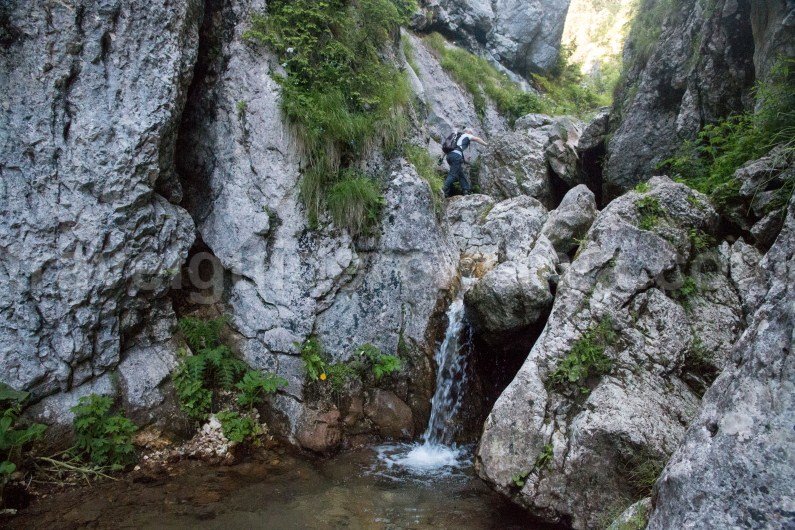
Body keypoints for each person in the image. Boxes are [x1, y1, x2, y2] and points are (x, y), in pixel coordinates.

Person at [443, 128, 488, 197]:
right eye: (471, 133)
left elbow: (447, 147)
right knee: (453, 174)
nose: (472, 134)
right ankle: (443, 189)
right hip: (456, 156)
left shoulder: (456, 137)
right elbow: (477, 139)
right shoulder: (466, 135)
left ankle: (466, 190)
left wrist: (441, 159)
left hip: (449, 156)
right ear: (468, 132)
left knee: (460, 173)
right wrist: (486, 144)